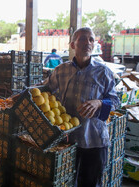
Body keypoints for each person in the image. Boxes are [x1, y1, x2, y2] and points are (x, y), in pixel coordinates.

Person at [42, 27, 120, 187]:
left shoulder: (103, 72)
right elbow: (44, 88)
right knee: (64, 182)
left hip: (93, 140)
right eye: (83, 39)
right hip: (66, 141)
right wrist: (22, 93)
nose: (88, 43)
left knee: (90, 183)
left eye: (91, 39)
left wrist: (100, 103)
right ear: (73, 45)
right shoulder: (61, 71)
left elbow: (115, 100)